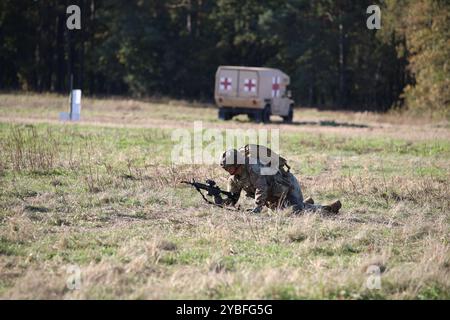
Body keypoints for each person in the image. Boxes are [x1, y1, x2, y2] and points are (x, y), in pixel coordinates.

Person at [220, 147, 341, 214]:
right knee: (281, 212)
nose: (226, 170)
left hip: (288, 187)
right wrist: (218, 198)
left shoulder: (254, 167)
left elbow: (261, 188)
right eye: (225, 167)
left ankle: (328, 209)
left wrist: (257, 208)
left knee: (295, 212)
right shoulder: (234, 179)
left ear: (237, 164)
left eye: (228, 167)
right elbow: (232, 200)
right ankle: (305, 203)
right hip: (274, 196)